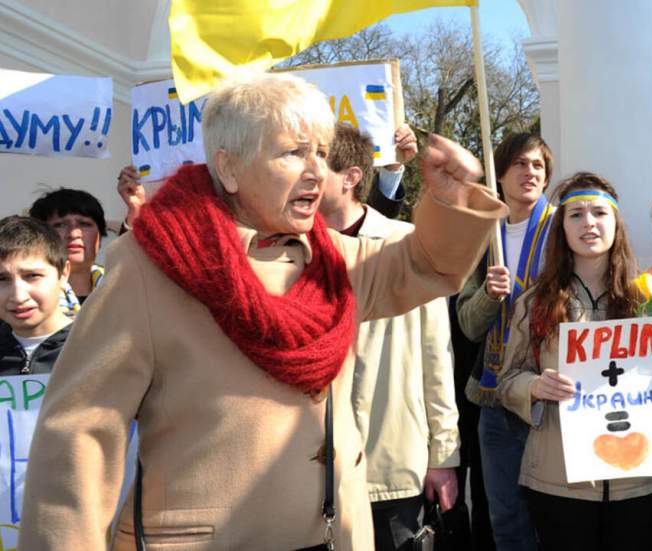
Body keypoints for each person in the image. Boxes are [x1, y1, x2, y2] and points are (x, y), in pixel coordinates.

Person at [20, 72, 506, 551]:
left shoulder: (336, 259)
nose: (316, 171)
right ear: (229, 168)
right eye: (294, 152)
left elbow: (429, 266)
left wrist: (451, 198)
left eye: (320, 151)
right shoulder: (150, 266)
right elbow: (80, 432)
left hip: (335, 534)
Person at [496, 172, 652, 550]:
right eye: (576, 215)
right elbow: (506, 381)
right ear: (562, 228)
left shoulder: (647, 300)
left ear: (616, 224)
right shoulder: (535, 301)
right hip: (559, 480)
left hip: (638, 479)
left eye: (600, 213)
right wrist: (534, 387)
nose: (589, 223)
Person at [319, 124, 459, 550]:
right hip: (314, 474)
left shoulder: (403, 245)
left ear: (351, 178)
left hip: (394, 466)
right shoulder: (293, 249)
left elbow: (436, 355)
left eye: (316, 163)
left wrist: (444, 457)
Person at [458, 132, 556, 551]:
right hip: (495, 398)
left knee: (553, 521)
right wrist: (488, 296)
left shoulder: (564, 227)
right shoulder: (482, 237)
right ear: (500, 175)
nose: (529, 172)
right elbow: (466, 325)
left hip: (549, 397)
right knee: (506, 524)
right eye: (519, 163)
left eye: (537, 165)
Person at [114, 124, 420, 228]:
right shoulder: (275, 236)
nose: (307, 172)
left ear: (350, 178)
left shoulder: (396, 245)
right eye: (296, 157)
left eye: (321, 158)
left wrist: (392, 164)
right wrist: (139, 210)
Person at [0, 216, 73, 376]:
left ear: (64, 274)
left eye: (32, 276)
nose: (19, 297)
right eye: (2, 279)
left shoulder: (97, 349)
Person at [28, 188, 107, 314]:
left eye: (84, 224)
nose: (74, 233)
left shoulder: (121, 288)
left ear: (100, 237)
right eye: (60, 225)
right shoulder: (23, 298)